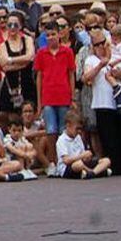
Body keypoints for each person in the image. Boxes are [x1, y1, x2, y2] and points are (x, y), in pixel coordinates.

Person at [82, 29, 121, 175]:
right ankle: (115, 167)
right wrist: (101, 65)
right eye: (97, 44)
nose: (101, 47)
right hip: (103, 104)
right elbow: (86, 78)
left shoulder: (118, 55)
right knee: (109, 138)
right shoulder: (91, 60)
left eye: (103, 43)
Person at [34, 21, 77, 176]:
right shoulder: (41, 53)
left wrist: (72, 97)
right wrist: (39, 102)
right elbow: (39, 77)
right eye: (48, 35)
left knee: (61, 130)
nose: (51, 37)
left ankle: (62, 162)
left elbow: (71, 75)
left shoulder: (67, 52)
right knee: (50, 131)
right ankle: (52, 162)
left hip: (63, 96)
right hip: (48, 97)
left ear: (60, 34)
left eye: (53, 34)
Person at [0, 11, 35, 131]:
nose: (12, 28)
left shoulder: (27, 39)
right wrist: (22, 62)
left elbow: (30, 57)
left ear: (21, 26)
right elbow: (3, 65)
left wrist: (11, 60)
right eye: (9, 25)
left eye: (15, 25)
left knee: (29, 116)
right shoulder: (4, 45)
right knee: (11, 119)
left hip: (27, 83)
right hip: (10, 85)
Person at [55, 111, 112, 179]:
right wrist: (82, 156)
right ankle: (95, 172)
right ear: (68, 125)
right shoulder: (62, 140)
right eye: (77, 128)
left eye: (80, 129)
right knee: (78, 165)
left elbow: (83, 155)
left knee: (106, 160)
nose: (79, 131)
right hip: (68, 168)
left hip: (82, 163)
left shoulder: (78, 137)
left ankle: (91, 173)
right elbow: (66, 160)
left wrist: (87, 156)